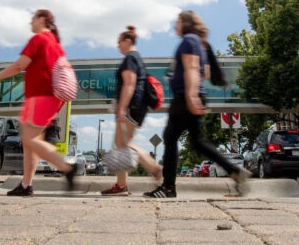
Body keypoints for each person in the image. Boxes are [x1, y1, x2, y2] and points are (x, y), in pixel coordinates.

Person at [144, 11, 248, 198]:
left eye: (177, 21)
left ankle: (168, 187)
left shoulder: (189, 40)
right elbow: (205, 73)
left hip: (185, 97)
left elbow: (192, 68)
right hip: (192, 94)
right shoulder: (199, 43)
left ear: (185, 23)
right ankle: (235, 171)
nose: (175, 24)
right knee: (197, 142)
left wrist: (191, 96)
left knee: (170, 138)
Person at [0, 9, 80, 196]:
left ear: (42, 20)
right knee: (30, 143)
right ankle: (26, 185)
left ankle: (67, 167)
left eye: (33, 18)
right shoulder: (55, 44)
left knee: (30, 139)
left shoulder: (39, 39)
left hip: (40, 96)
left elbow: (19, 65)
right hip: (49, 97)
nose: (30, 23)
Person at [101, 26, 162, 196]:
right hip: (136, 107)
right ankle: (121, 186)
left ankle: (154, 168)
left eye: (119, 42)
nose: (117, 46)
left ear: (127, 41)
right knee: (121, 145)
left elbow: (129, 83)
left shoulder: (130, 58)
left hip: (131, 107)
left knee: (125, 144)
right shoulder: (136, 58)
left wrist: (121, 108)